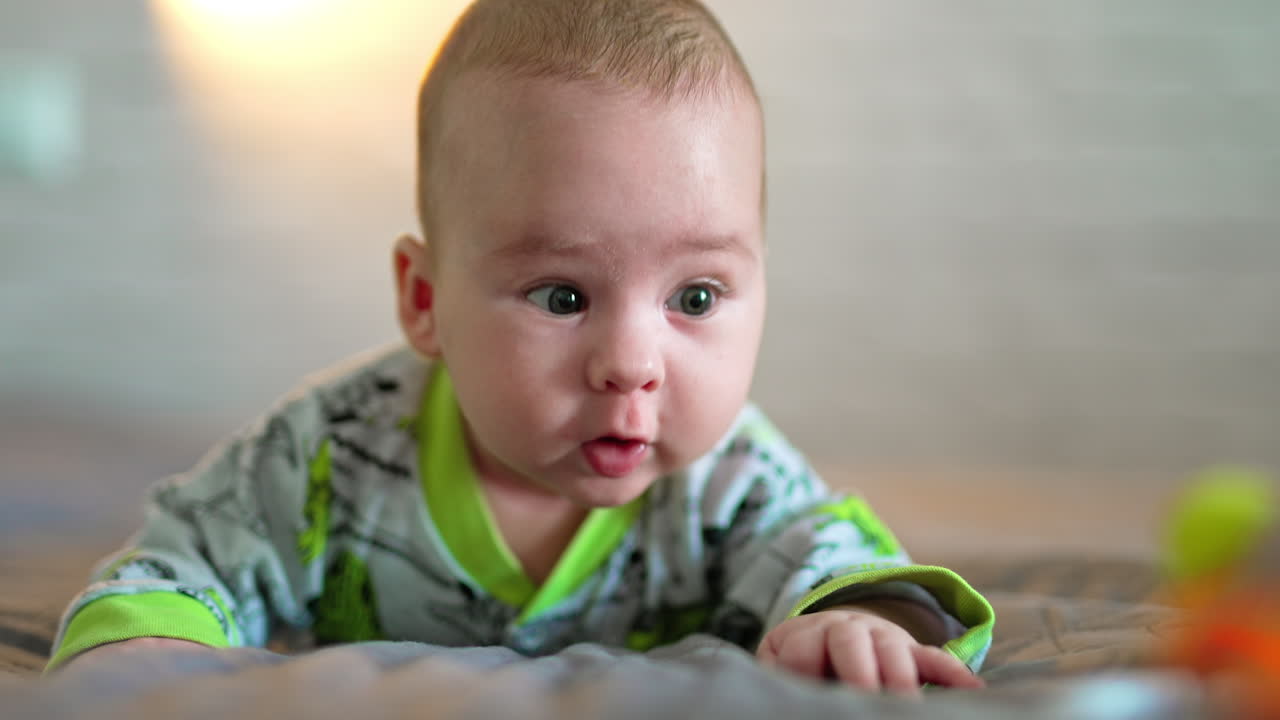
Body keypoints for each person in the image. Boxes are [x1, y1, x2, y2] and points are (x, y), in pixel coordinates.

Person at [47, 0, 993, 696]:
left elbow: (837, 563)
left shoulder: (729, 479)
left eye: (694, 296)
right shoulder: (329, 458)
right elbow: (180, 568)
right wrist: (140, 651)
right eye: (563, 295)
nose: (631, 362)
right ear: (426, 300)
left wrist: (861, 622)